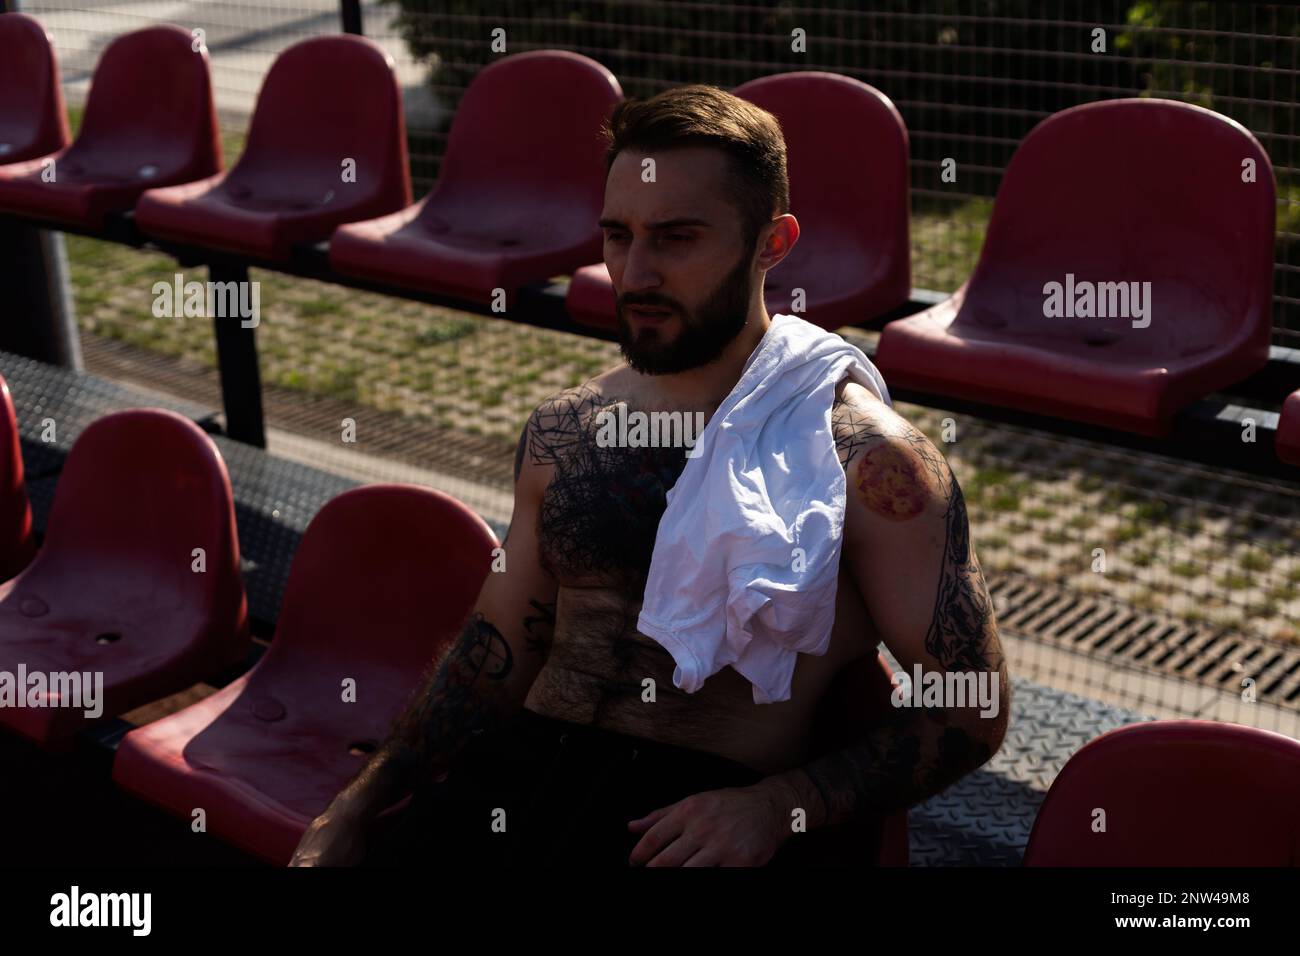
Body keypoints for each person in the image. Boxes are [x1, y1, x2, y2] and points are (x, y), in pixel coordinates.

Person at [290, 84, 1008, 868]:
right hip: (515, 782)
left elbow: (972, 704)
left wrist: (779, 806)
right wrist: (362, 800)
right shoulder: (567, 430)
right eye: (617, 235)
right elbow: (496, 647)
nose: (634, 274)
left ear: (773, 243)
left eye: (675, 238)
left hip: (690, 819)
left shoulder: (872, 466)